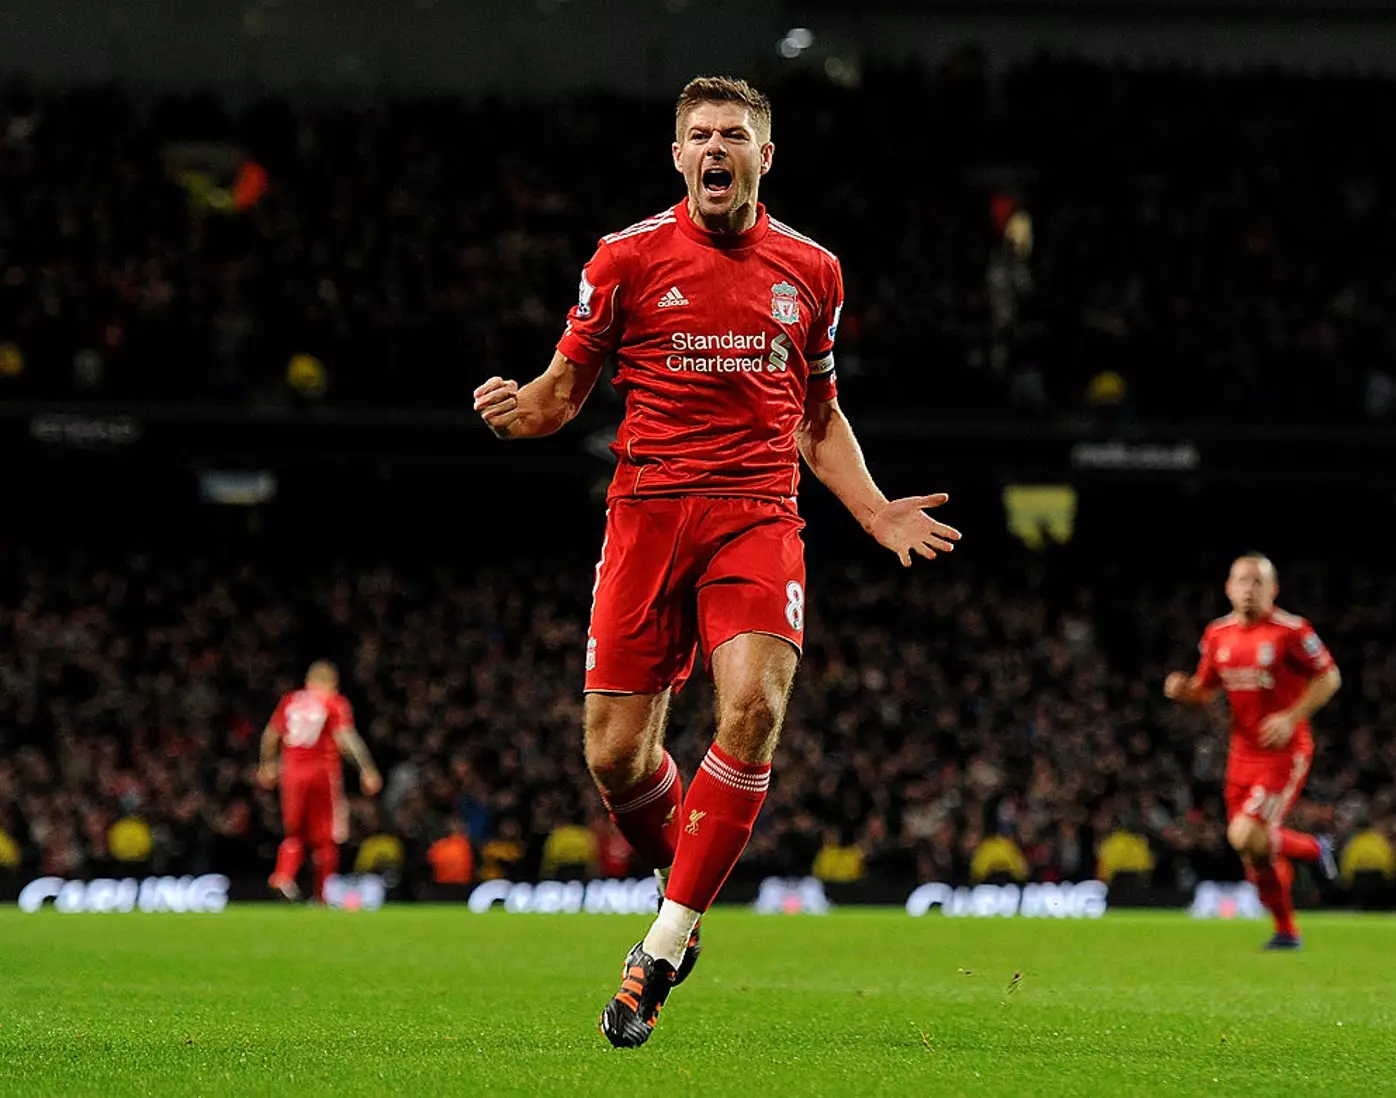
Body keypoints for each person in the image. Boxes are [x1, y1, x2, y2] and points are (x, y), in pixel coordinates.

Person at [473, 75, 959, 1047]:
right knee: (614, 757)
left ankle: (662, 945)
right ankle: (682, 883)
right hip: (646, 517)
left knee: (754, 708)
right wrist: (516, 411)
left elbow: (817, 416)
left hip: (756, 517)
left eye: (734, 135)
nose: (715, 148)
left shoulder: (812, 271)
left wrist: (871, 509)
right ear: (677, 156)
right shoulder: (624, 259)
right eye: (699, 135)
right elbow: (562, 394)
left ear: (763, 157)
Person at [1164, 554, 1341, 949]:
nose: (1249, 589)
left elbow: (1329, 677)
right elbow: (1205, 689)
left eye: (1258, 581)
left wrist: (1292, 717)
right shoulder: (1217, 634)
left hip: (1284, 751)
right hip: (1241, 754)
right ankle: (1287, 930)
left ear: (1273, 589)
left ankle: (1313, 850)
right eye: (1242, 580)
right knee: (1253, 851)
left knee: (1246, 834)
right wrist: (1184, 691)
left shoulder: (1292, 631)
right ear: (1228, 588)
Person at [258, 660, 384, 904]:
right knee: (326, 837)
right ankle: (321, 895)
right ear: (332, 683)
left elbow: (271, 734)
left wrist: (266, 764)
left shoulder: (290, 701)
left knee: (295, 833)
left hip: (291, 774)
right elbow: (345, 737)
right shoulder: (332, 702)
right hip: (322, 775)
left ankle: (283, 876)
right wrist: (366, 768)